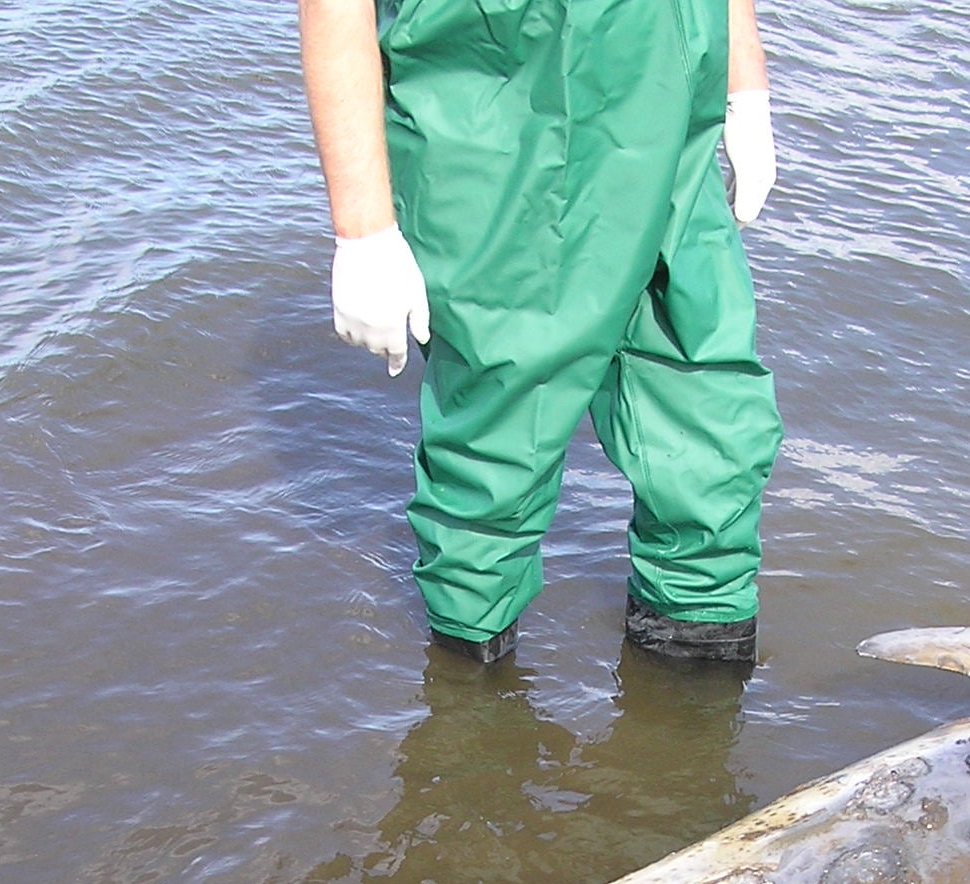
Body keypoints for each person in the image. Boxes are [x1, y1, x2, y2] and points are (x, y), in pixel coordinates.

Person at [299, 0, 784, 665]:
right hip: (508, 109)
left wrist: (744, 79)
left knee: (712, 432)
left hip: (674, 108)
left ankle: (696, 725)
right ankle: (469, 735)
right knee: (495, 451)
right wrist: (363, 228)